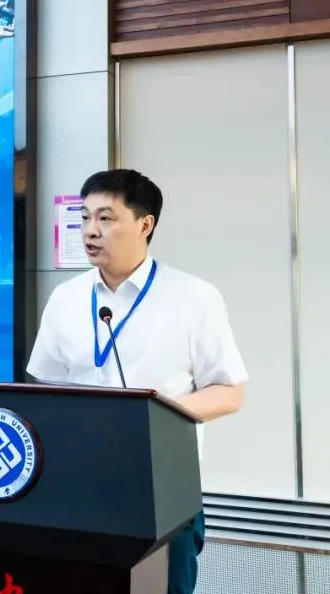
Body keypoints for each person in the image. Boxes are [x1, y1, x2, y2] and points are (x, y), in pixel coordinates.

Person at [26, 168, 248, 594]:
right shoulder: (65, 299)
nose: (90, 230)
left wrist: (149, 415)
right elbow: (47, 389)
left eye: (106, 218)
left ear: (145, 224)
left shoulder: (193, 297)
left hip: (161, 492)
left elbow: (230, 392)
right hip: (76, 487)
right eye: (85, 217)